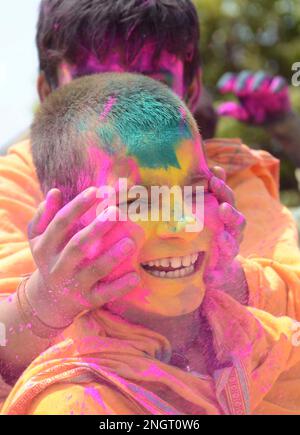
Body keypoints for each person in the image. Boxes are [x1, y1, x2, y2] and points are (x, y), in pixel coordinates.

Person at [0, 0, 299, 400]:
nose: (129, 106)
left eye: (151, 84)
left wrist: (222, 275)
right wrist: (42, 304)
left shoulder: (231, 177)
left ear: (190, 92)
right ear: (49, 91)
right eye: (97, 84)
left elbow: (293, 298)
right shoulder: (21, 181)